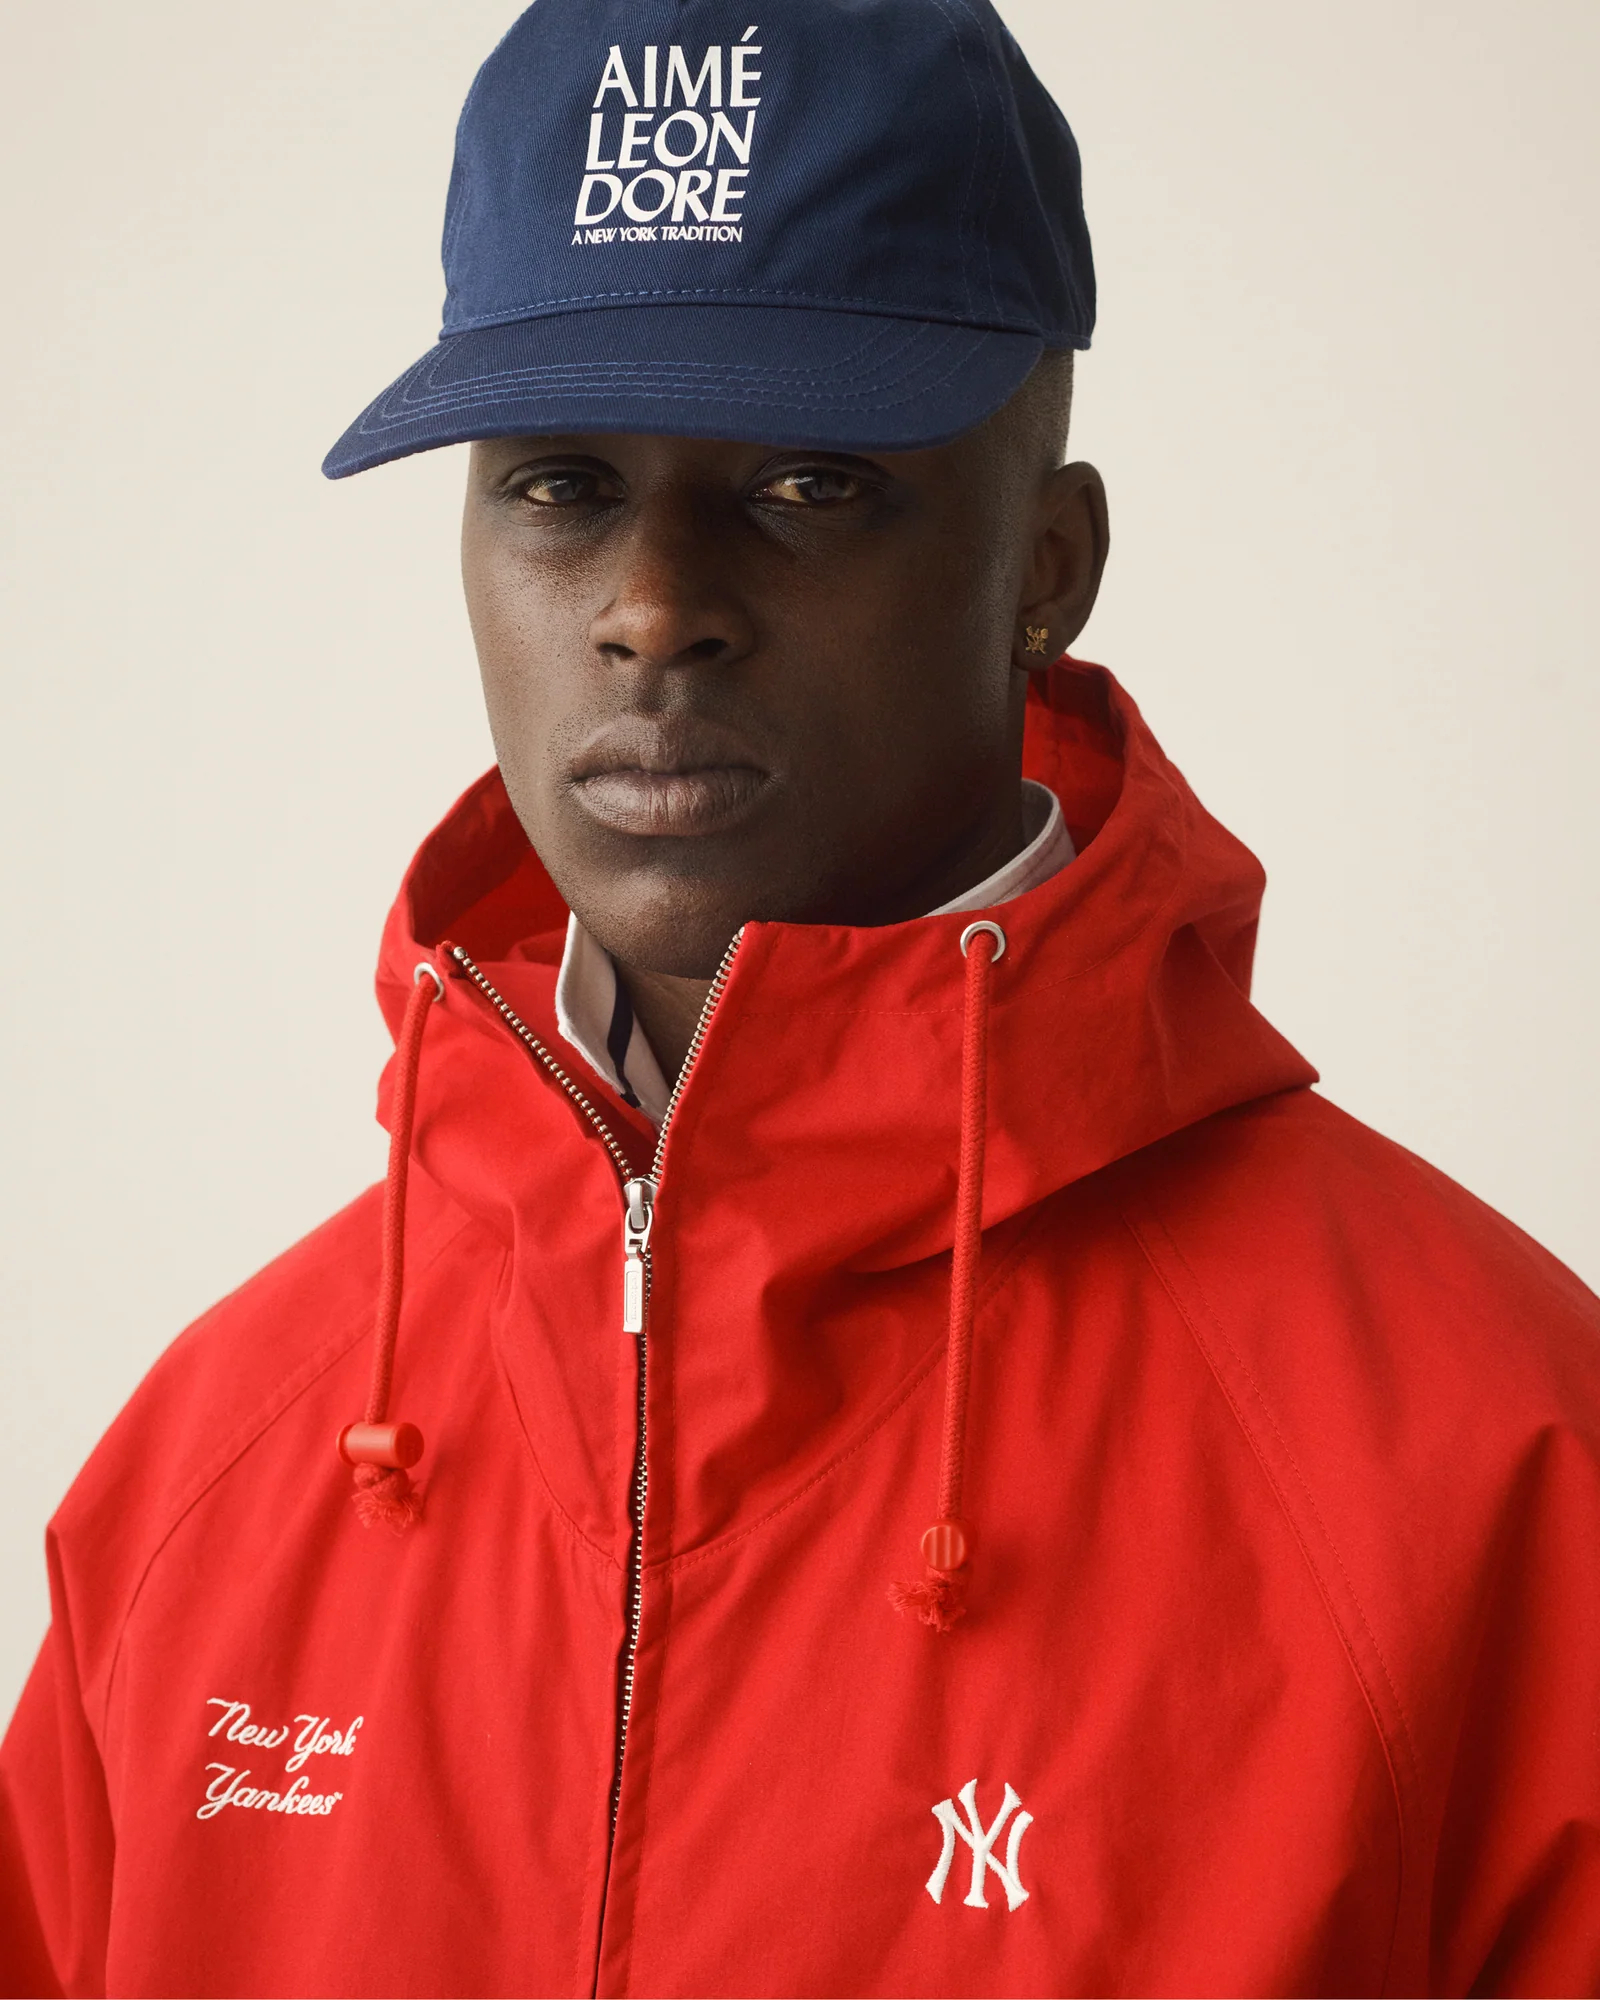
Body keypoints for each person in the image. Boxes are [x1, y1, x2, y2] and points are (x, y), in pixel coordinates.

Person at [3, 0, 1597, 1992]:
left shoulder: (1493, 1460)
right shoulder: (205, 1475)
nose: (652, 607)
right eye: (560, 483)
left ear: (1048, 565)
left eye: (811, 484)